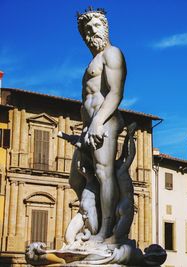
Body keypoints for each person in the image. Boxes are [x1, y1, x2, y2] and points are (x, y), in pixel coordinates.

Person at [69, 7, 127, 242]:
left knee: (105, 173)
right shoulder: (93, 61)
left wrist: (98, 122)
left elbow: (115, 93)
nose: (90, 32)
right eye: (86, 29)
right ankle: (92, 222)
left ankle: (106, 231)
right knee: (76, 178)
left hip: (104, 122)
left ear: (105, 27)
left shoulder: (112, 53)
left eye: (95, 26)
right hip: (88, 127)